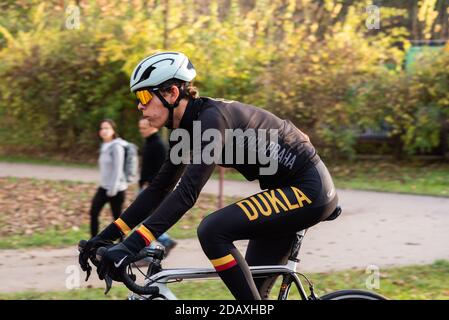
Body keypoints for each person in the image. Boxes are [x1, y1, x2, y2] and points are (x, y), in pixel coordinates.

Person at [79, 52, 338, 300]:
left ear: (172, 92)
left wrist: (131, 246)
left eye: (146, 95)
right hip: (286, 192)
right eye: (138, 97)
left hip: (307, 191)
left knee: (212, 230)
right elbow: (160, 188)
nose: (140, 104)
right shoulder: (186, 129)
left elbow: (187, 193)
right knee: (252, 294)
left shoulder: (211, 121)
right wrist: (107, 236)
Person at [138, 118, 177, 254]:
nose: (141, 131)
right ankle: (165, 241)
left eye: (143, 128)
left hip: (151, 189)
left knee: (144, 221)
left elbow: (162, 169)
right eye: (140, 128)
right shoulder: (149, 143)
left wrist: (149, 184)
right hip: (145, 187)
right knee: (143, 220)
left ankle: (152, 250)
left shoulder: (159, 145)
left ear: (153, 127)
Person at [89, 119, 128, 237]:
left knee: (118, 219)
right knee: (93, 212)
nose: (104, 131)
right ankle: (93, 242)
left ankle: (123, 244)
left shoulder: (117, 147)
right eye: (102, 128)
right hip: (104, 187)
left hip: (116, 189)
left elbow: (118, 169)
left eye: (107, 128)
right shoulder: (105, 145)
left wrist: (113, 189)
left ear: (113, 130)